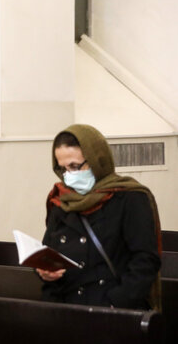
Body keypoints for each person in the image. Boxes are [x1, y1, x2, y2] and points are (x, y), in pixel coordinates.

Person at [38, 124, 162, 310]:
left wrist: (115, 302)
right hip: (65, 305)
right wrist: (44, 272)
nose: (68, 176)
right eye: (63, 169)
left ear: (97, 160)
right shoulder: (61, 199)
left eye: (74, 166)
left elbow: (145, 259)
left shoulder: (129, 197)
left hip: (110, 309)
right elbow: (50, 251)